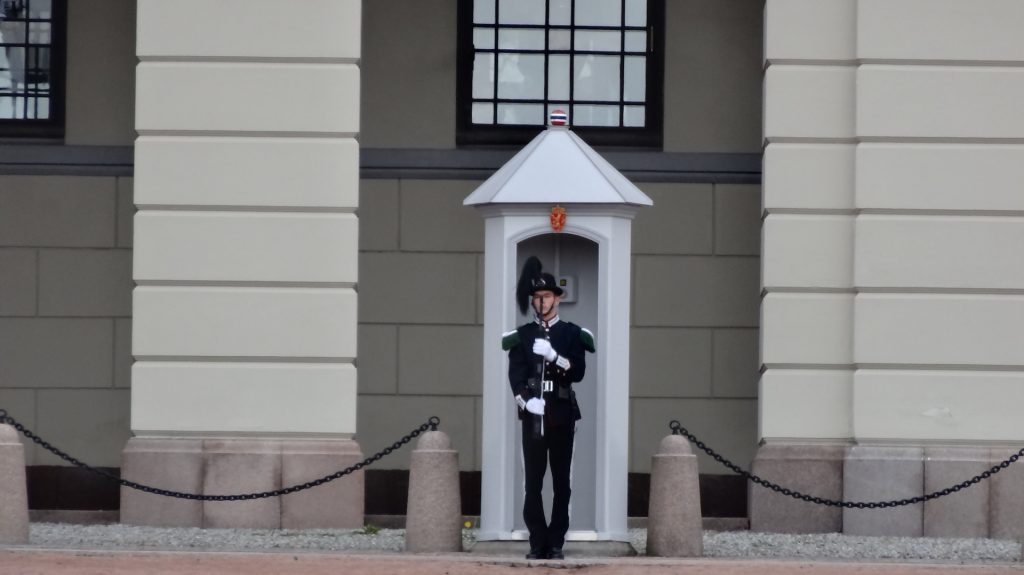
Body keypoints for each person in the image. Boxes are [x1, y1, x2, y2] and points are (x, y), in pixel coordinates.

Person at [502, 256, 595, 560]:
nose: (541, 301)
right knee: (532, 483)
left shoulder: (572, 334)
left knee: (561, 483)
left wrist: (555, 356)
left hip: (563, 415)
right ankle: (536, 540)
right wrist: (526, 401)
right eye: (537, 297)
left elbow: (578, 372)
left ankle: (556, 541)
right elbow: (516, 376)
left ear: (557, 298)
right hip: (534, 417)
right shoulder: (522, 336)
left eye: (546, 296)